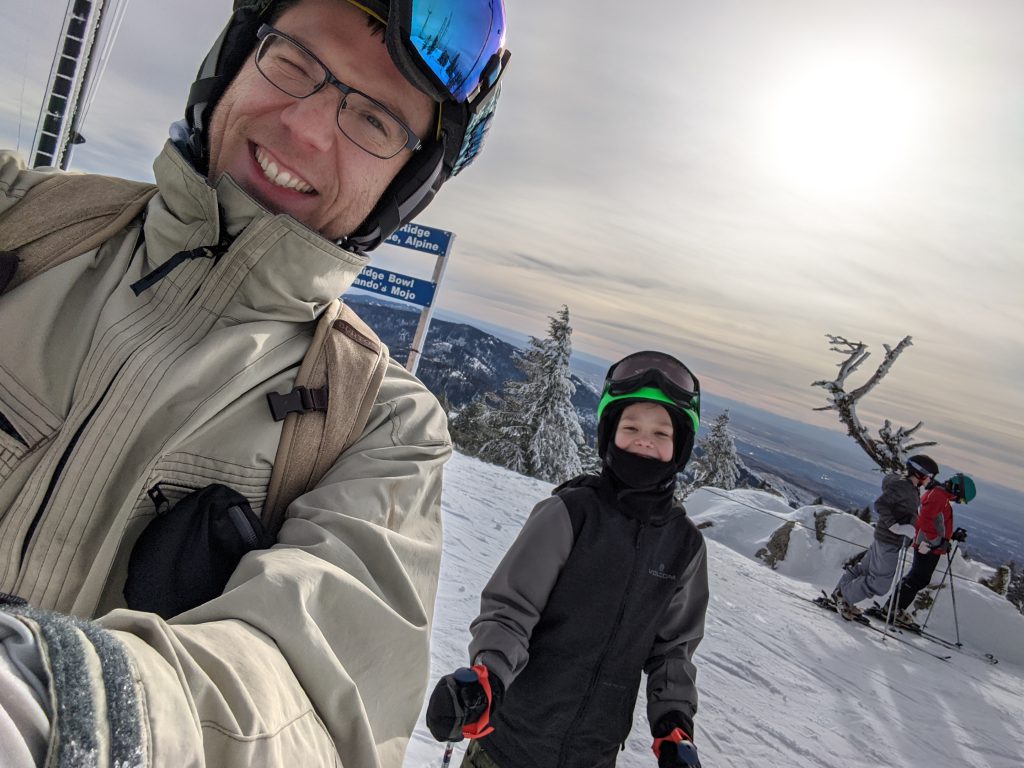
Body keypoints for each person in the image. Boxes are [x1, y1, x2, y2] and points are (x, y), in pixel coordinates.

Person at [0, 1, 510, 765]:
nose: (305, 130)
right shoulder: (24, 223)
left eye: (372, 120)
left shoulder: (380, 428)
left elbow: (318, 704)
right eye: (295, 63)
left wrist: (65, 704)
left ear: (406, 184)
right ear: (235, 57)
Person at [425, 351, 710, 768]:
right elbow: (511, 611)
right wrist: (487, 677)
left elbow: (674, 651)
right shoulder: (570, 514)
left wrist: (674, 728)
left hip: (593, 755)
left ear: (679, 446)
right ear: (610, 435)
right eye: (631, 427)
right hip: (508, 745)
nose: (645, 439)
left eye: (661, 432)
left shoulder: (684, 547)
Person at [832, 454, 939, 621]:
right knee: (880, 584)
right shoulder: (903, 487)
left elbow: (905, 512)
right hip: (889, 539)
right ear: (920, 473)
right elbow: (880, 504)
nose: (930, 480)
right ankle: (844, 596)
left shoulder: (911, 488)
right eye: (930, 476)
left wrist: (911, 529)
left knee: (864, 570)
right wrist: (895, 526)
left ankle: (839, 595)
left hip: (886, 538)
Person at [882, 473, 976, 624]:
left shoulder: (942, 496)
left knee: (919, 578)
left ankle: (894, 607)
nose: (959, 502)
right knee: (917, 578)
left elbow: (938, 523)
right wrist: (938, 541)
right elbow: (925, 520)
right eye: (962, 499)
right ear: (958, 489)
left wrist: (951, 536)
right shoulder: (938, 496)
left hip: (932, 545)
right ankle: (893, 608)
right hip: (927, 545)